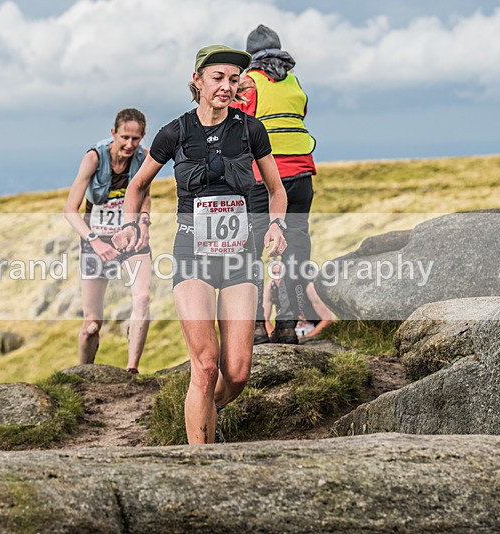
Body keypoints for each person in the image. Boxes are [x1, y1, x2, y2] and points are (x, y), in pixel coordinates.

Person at [113, 45, 288, 444]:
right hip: (192, 254)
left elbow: (276, 190)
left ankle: (206, 408)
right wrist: (129, 226)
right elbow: (137, 186)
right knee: (206, 365)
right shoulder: (175, 132)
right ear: (197, 81)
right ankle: (200, 458)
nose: (226, 86)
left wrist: (277, 226)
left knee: (237, 373)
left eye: (233, 80)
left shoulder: (250, 130)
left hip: (240, 257)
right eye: (218, 78)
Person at [231, 24, 318, 345]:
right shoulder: (295, 82)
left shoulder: (248, 83)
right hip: (302, 177)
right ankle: (287, 327)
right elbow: (301, 114)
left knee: (251, 251)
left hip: (263, 181)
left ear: (250, 56)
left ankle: (256, 326)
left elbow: (234, 125)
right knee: (295, 252)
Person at [64, 108, 153, 374]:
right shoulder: (94, 158)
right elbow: (70, 210)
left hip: (130, 236)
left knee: (142, 299)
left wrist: (144, 223)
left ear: (143, 137)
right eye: (124, 137)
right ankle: (82, 375)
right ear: (113, 133)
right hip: (97, 237)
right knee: (92, 325)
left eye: (136, 139)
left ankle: (131, 370)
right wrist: (95, 241)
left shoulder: (144, 157)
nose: (129, 144)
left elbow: (145, 195)